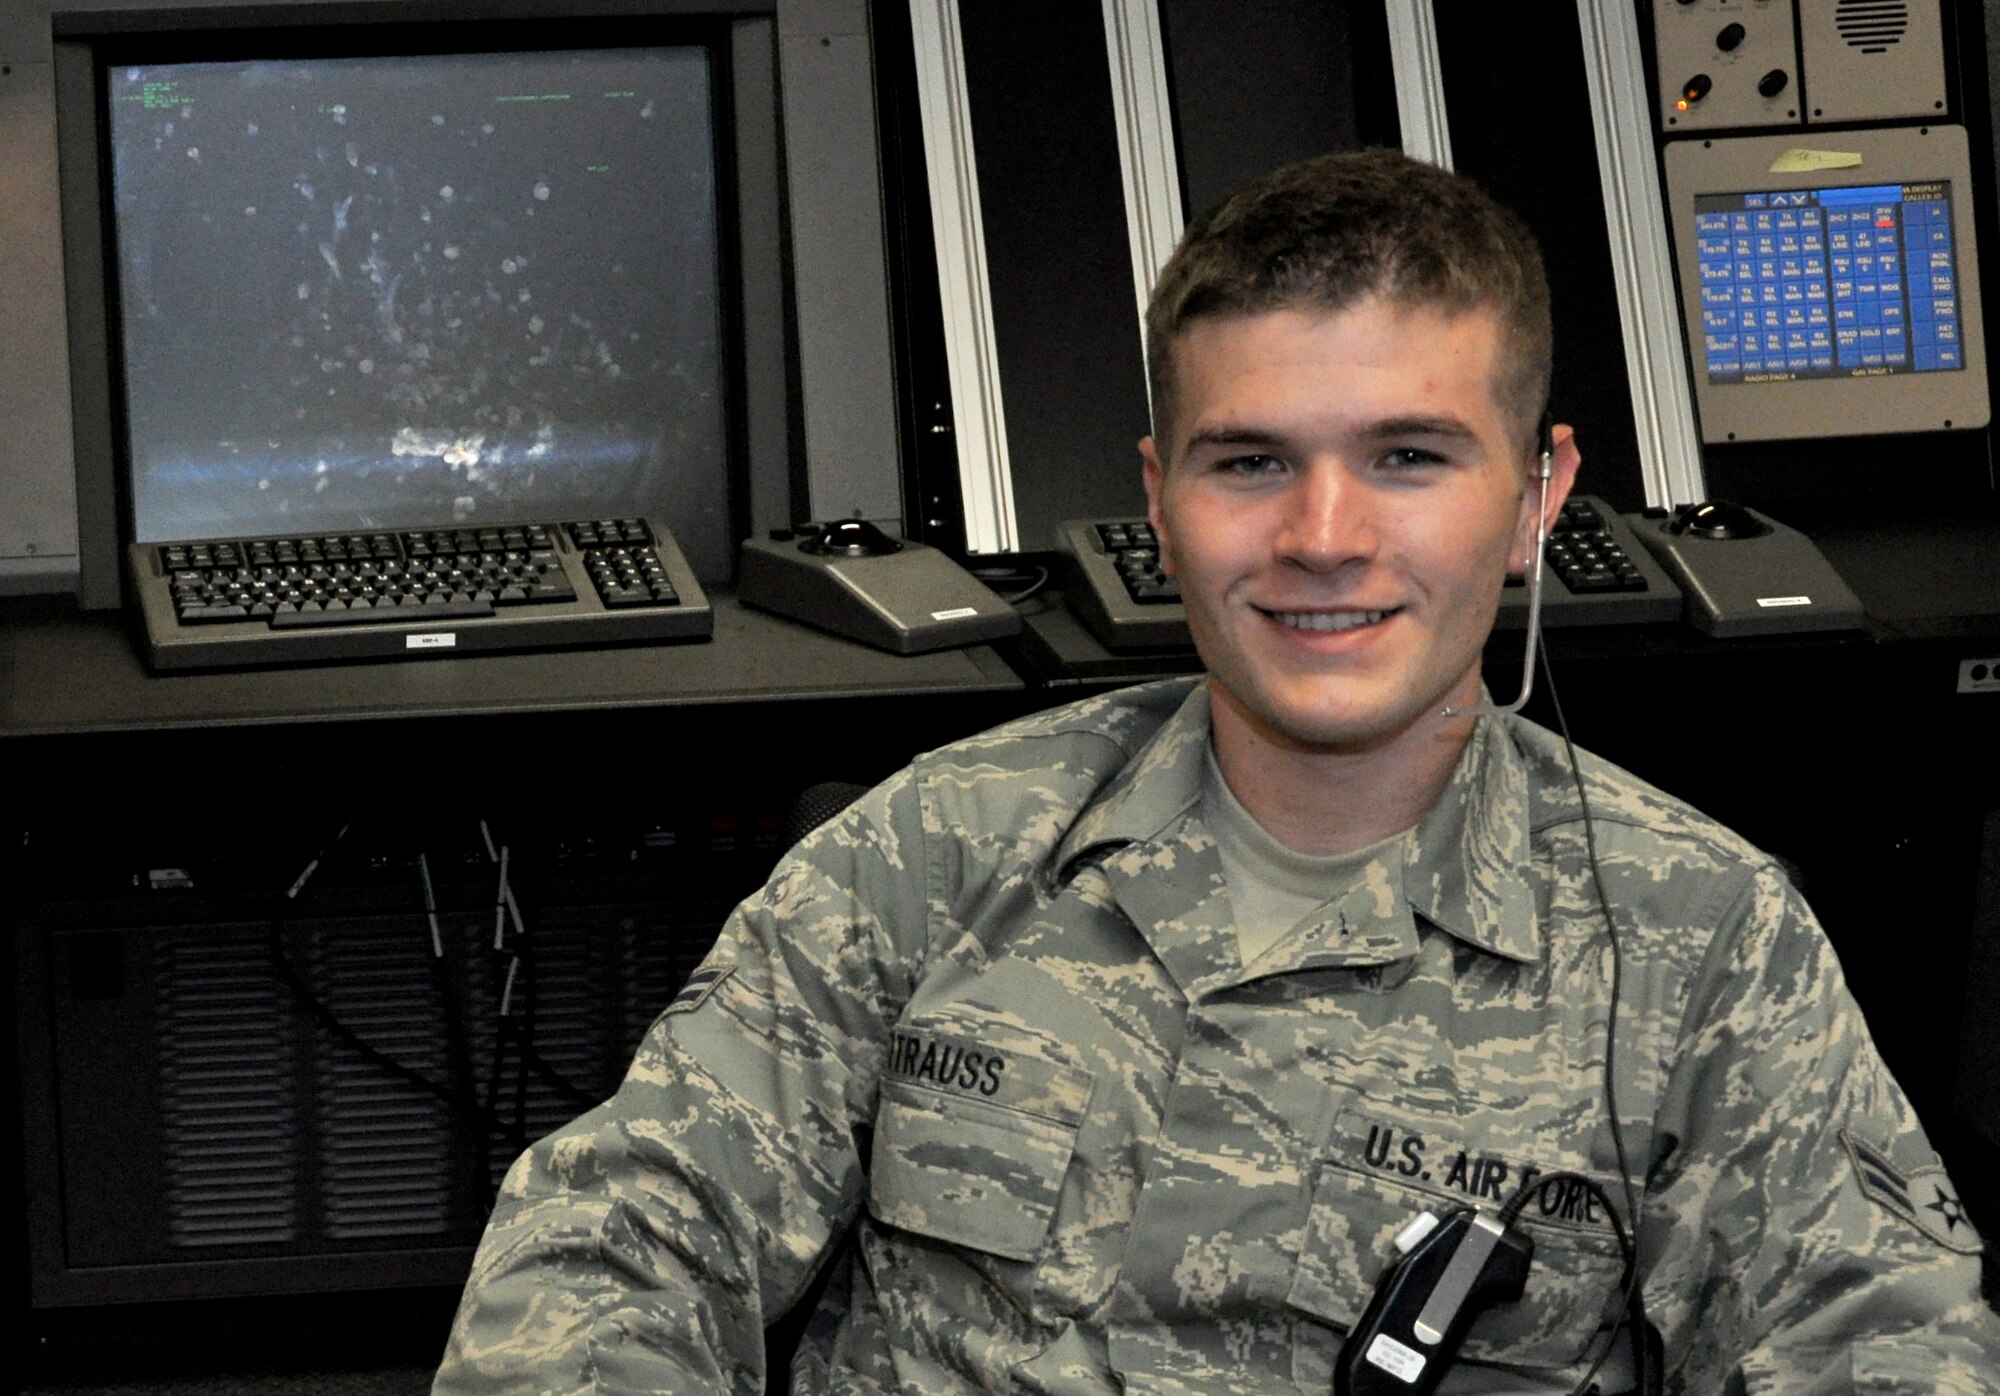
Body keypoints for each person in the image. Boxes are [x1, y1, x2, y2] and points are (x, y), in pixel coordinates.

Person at [433, 148, 1999, 1394]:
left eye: (1408, 456)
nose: (1322, 538)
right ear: (1159, 498)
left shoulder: (1707, 946)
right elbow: (621, 1232)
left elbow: (1883, 1347)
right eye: (1250, 462)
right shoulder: (939, 848)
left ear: (1536, 498)